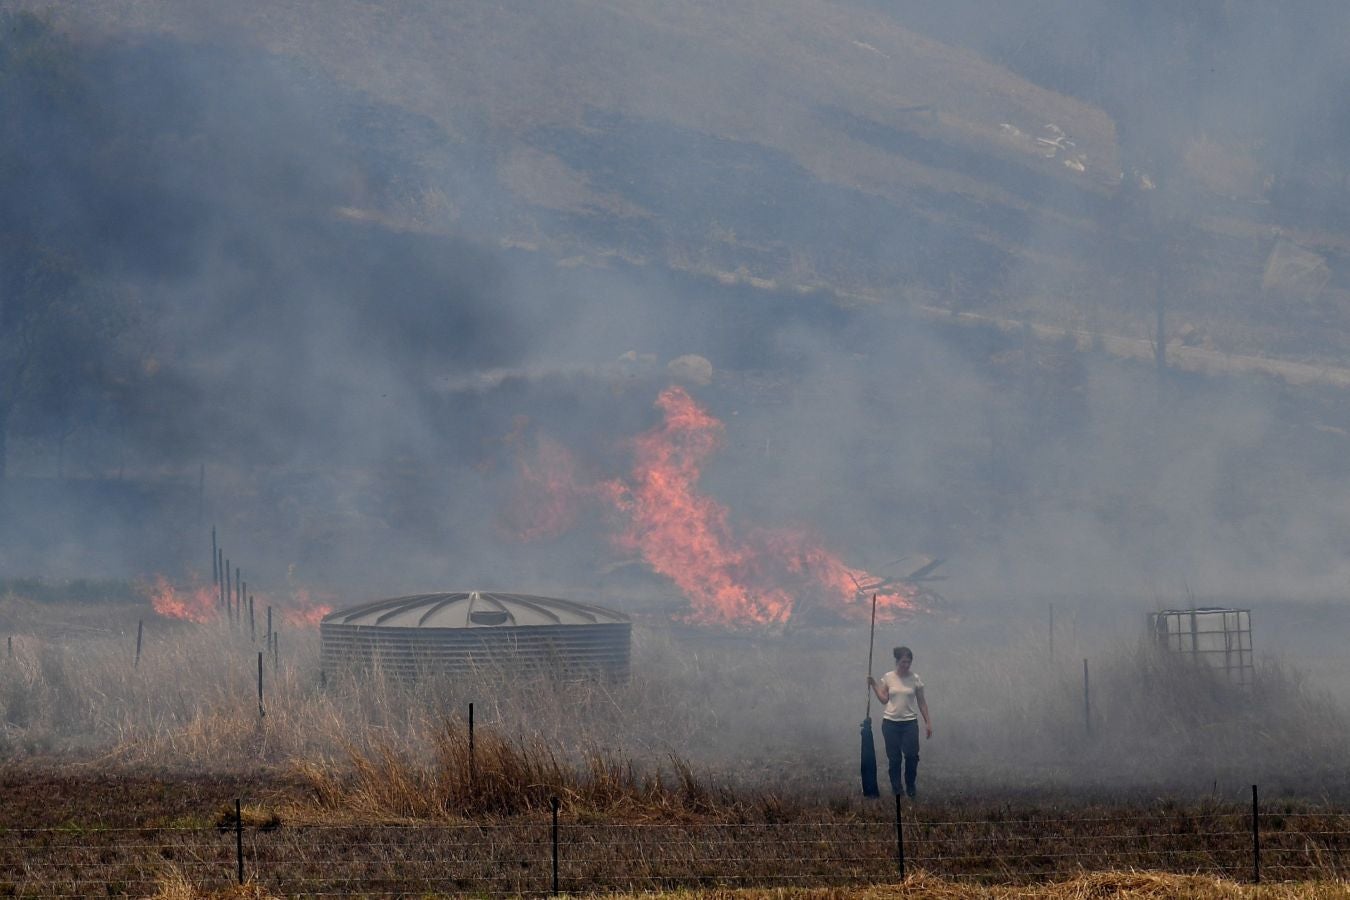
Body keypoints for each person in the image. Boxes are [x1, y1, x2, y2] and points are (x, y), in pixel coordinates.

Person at [867, 645, 931, 799]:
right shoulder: (888, 677)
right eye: (903, 662)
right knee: (894, 758)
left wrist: (928, 722)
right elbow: (883, 699)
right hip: (890, 723)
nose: (906, 665)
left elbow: (922, 702)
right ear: (897, 661)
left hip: (909, 722)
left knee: (912, 756)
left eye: (908, 662)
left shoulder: (915, 679)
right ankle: (897, 788)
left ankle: (910, 786)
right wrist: (874, 684)